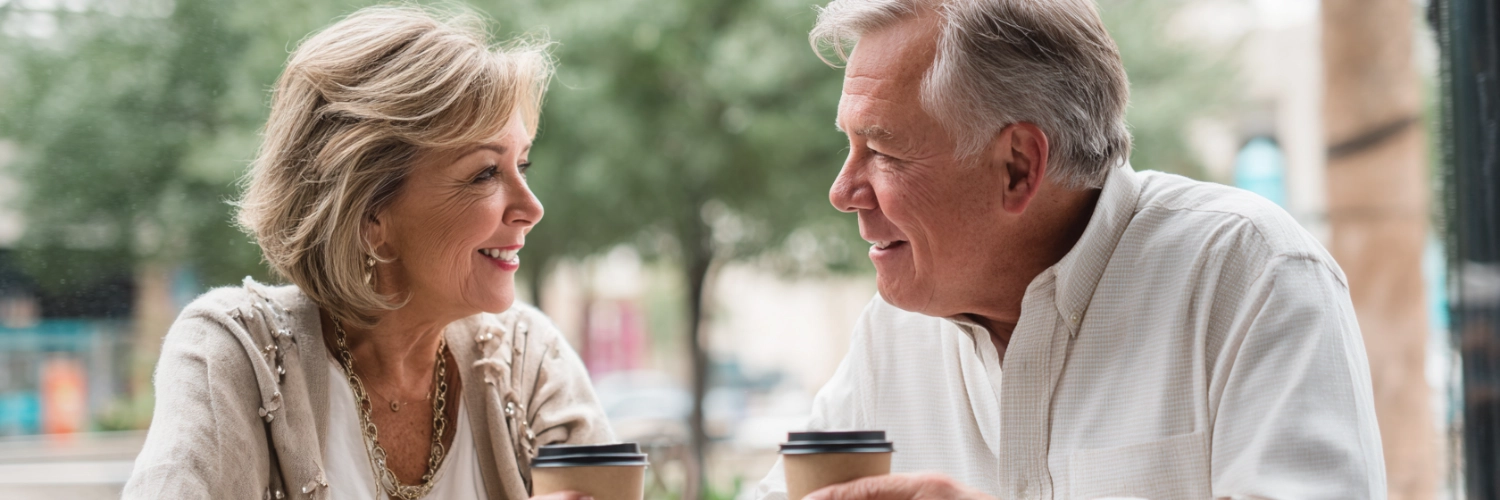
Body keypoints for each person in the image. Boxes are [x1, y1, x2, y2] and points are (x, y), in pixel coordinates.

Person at [756, 0, 1386, 499]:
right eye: (850, 146)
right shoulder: (892, 337)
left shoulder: (1252, 273)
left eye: (885, 151)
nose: (842, 192)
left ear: (1018, 167)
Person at [123, 6, 613, 499]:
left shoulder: (528, 360)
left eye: (522, 165)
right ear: (370, 214)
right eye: (485, 173)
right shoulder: (236, 354)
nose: (532, 207)